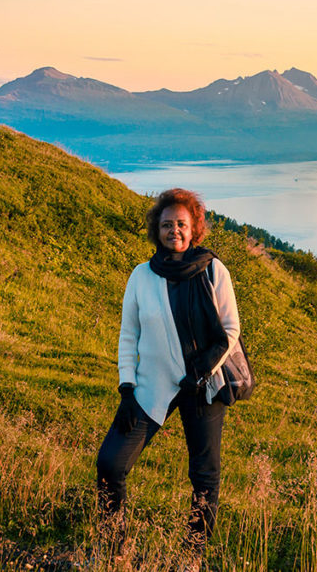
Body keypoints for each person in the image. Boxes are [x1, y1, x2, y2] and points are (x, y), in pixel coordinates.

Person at [96, 188, 240, 566]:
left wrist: (201, 372)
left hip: (202, 385)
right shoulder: (141, 276)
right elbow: (129, 335)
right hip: (151, 386)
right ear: (155, 230)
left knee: (204, 478)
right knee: (110, 463)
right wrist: (127, 387)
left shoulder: (213, 270)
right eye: (166, 224)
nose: (173, 230)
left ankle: (190, 558)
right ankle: (115, 549)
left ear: (194, 228)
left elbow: (230, 330)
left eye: (181, 223)